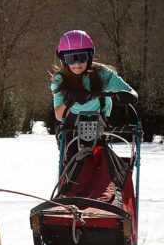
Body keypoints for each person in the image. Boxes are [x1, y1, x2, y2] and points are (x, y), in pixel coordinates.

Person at [50, 30, 137, 162]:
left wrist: (128, 96)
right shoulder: (60, 79)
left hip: (99, 123)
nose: (77, 64)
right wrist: (69, 100)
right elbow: (58, 114)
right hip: (71, 125)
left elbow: (131, 92)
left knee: (99, 160)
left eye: (81, 58)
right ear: (64, 60)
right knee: (72, 162)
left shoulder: (102, 74)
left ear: (90, 56)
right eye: (71, 59)